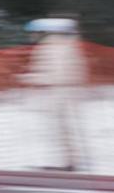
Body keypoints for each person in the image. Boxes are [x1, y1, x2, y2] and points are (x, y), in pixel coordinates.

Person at [21, 18, 88, 171]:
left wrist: (31, 78)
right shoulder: (66, 46)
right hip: (63, 92)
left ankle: (64, 163)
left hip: (58, 93)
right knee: (62, 129)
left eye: (36, 33)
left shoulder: (52, 48)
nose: (33, 36)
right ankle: (67, 161)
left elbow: (57, 75)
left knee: (58, 130)